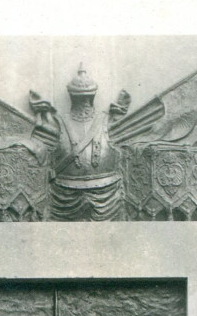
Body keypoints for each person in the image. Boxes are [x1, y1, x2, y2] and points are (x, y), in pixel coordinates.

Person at [40, 65, 131, 222]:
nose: (83, 100)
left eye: (84, 97)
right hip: (66, 192)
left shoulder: (106, 120)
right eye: (80, 97)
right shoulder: (58, 122)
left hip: (106, 192)